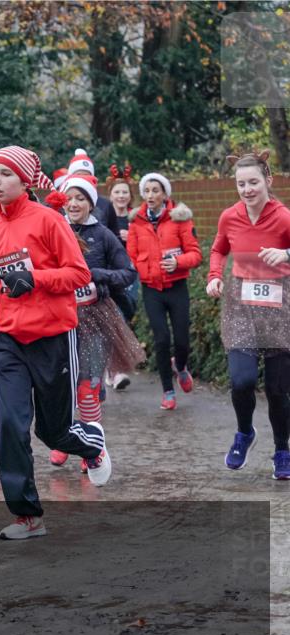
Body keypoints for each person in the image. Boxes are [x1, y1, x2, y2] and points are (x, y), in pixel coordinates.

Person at [0, 145, 111, 540]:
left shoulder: (49, 221)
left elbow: (79, 275)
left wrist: (38, 279)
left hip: (53, 338)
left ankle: (92, 443)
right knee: (11, 426)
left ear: (25, 181)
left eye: (5, 174)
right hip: (10, 339)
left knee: (54, 432)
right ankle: (27, 516)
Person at [46, 175, 142, 469]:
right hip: (58, 319)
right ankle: (65, 439)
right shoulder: (52, 229)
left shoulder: (103, 235)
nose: (74, 204)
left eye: (81, 198)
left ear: (91, 203)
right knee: (62, 386)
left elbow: (128, 272)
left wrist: (98, 277)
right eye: (69, 198)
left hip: (94, 318)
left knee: (88, 386)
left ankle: (92, 448)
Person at [207, 151, 290, 479]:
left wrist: (285, 253)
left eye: (253, 182)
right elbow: (218, 249)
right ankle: (245, 433)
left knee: (277, 389)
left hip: (278, 312)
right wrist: (214, 275)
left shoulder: (284, 218)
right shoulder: (230, 216)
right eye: (241, 183)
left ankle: (283, 449)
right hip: (240, 310)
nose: (247, 189)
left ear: (268, 181)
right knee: (241, 381)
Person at [126, 172, 202, 410]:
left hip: (177, 287)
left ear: (165, 194)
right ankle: (168, 391)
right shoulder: (136, 221)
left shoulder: (180, 219)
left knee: (181, 340)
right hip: (152, 289)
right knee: (161, 339)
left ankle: (180, 366)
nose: (150, 195)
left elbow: (196, 254)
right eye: (146, 191)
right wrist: (144, 268)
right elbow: (131, 255)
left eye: (155, 190)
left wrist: (177, 262)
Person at [105, 163, 139, 390]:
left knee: (125, 315)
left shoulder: (137, 218)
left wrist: (134, 236)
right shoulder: (105, 218)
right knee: (114, 318)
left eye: (124, 192)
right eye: (116, 192)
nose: (120, 196)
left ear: (130, 196)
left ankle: (112, 365)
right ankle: (114, 370)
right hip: (112, 274)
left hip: (132, 273)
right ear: (110, 196)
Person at [66, 148, 115, 234]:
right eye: (78, 175)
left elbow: (114, 234)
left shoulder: (105, 205)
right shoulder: (59, 206)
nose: (83, 180)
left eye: (86, 176)